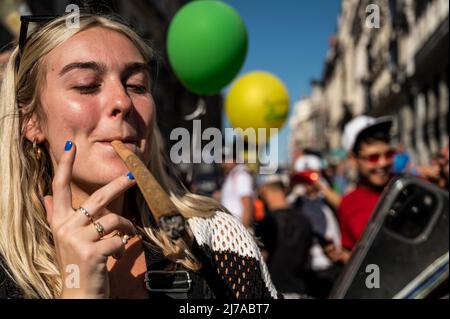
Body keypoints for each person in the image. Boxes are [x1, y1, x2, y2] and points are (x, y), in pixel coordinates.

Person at [0, 13, 279, 299]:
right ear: (31, 121)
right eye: (86, 84)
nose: (123, 101)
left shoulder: (216, 238)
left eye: (137, 85)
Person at [325, 116, 394, 264]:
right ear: (353, 159)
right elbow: (363, 263)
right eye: (373, 157)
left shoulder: (409, 185)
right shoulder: (348, 204)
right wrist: (343, 258)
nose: (382, 163)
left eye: (388, 155)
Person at [291, 155, 342, 298]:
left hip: (331, 265)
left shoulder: (327, 198)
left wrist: (321, 186)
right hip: (306, 268)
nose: (308, 181)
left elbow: (345, 208)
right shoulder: (295, 201)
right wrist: (295, 188)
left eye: (311, 175)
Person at [256, 174, 312, 298]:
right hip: (301, 290)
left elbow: (261, 258)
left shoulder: (267, 223)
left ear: (264, 190)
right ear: (284, 190)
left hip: (275, 291)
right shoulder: (304, 220)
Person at [219, 147, 254, 228]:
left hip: (238, 227)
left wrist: (245, 229)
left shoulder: (241, 175)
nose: (223, 162)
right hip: (232, 227)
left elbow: (247, 203)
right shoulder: (233, 175)